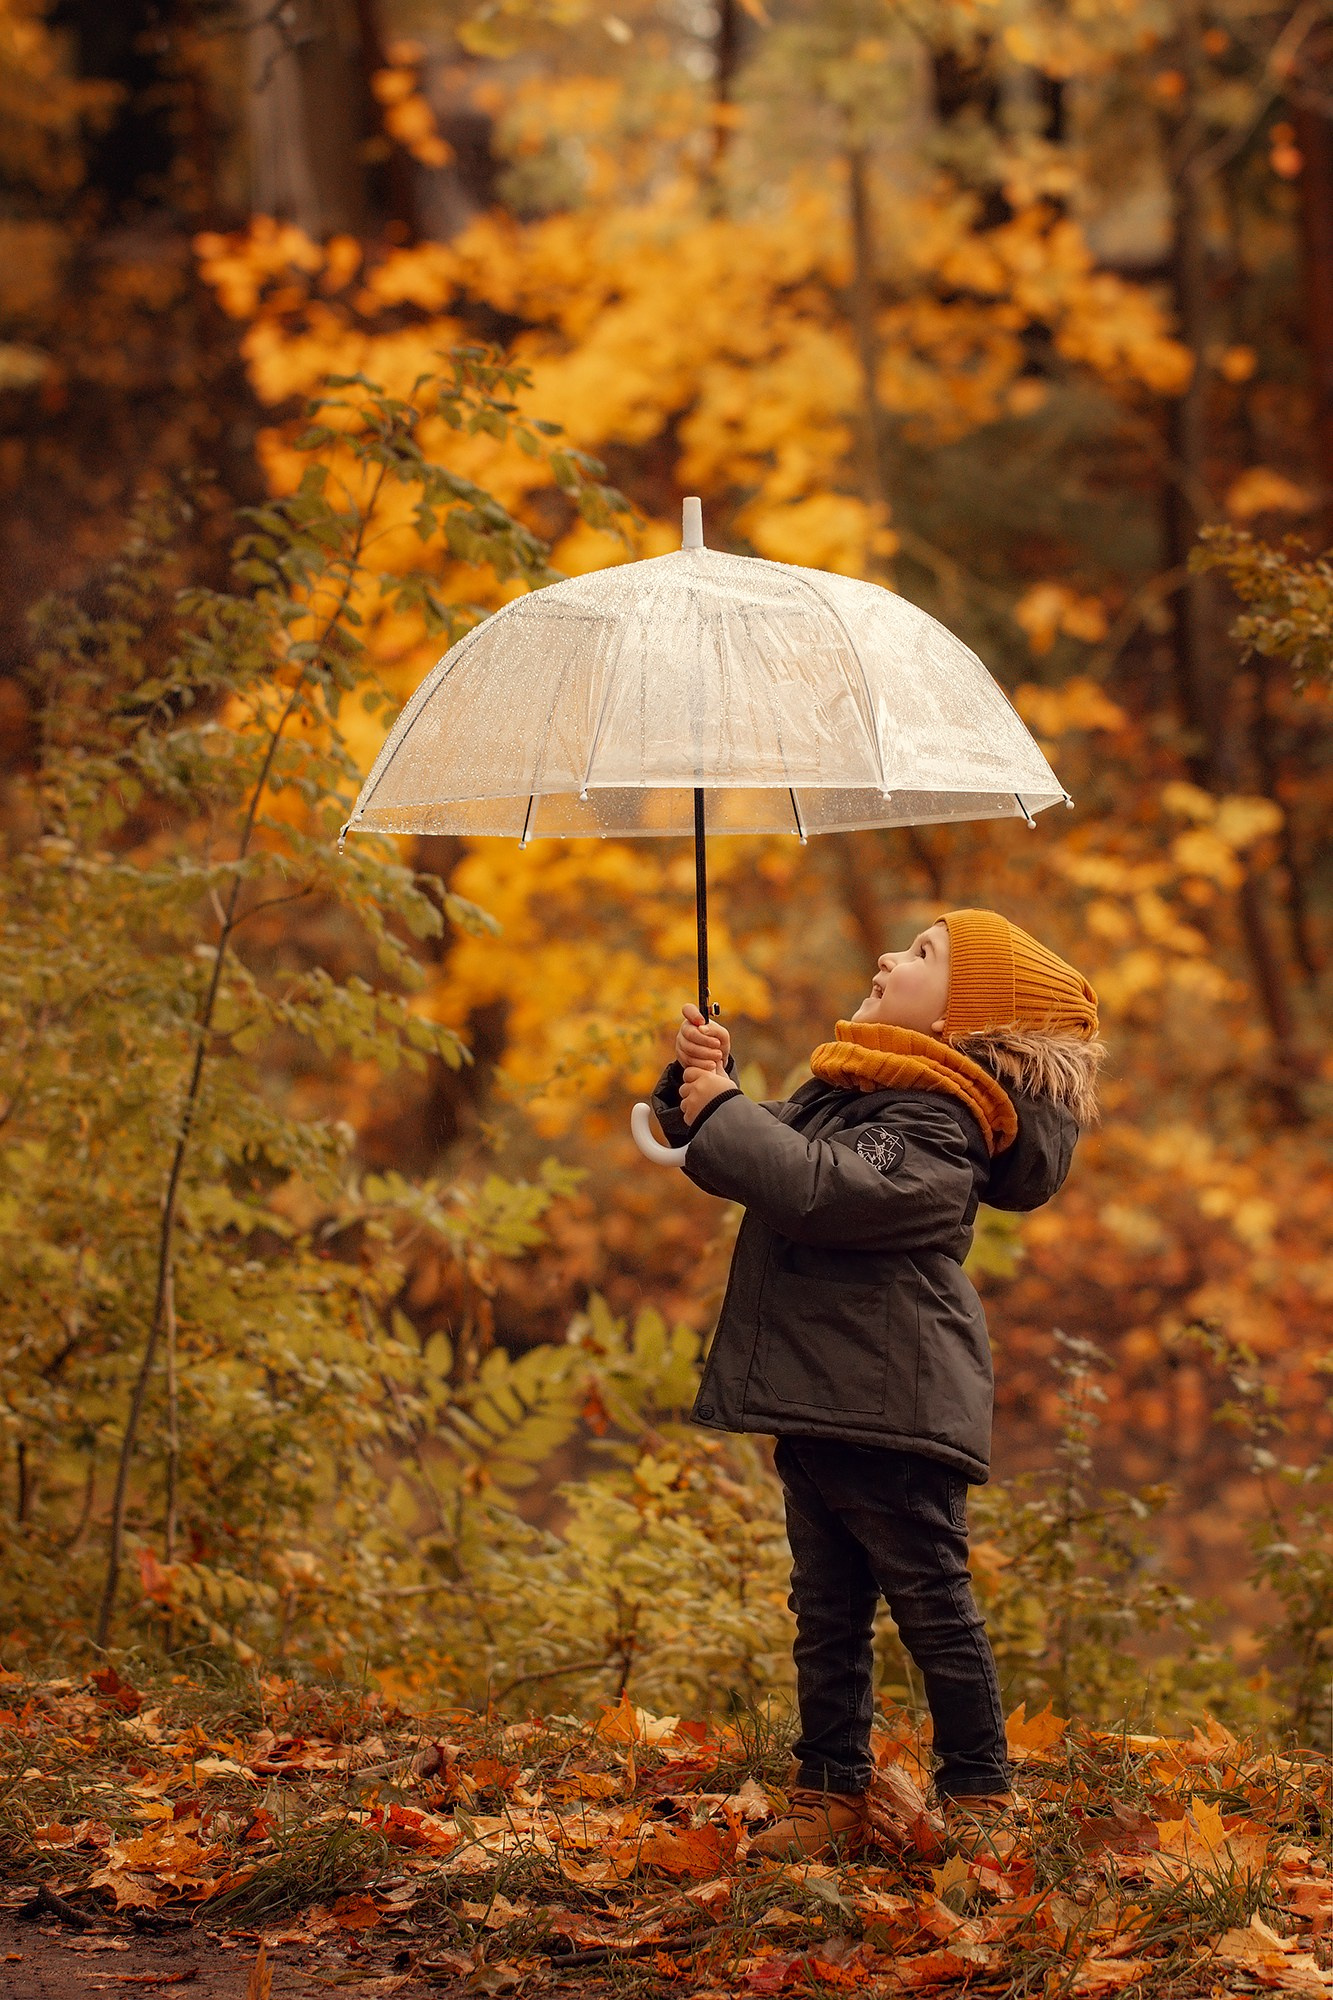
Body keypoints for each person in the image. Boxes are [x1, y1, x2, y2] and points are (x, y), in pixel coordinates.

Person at [650, 909, 1102, 1859]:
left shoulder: (940, 1124)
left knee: (931, 1604)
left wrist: (725, 1105)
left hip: (892, 1406)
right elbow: (749, 1158)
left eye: (924, 955)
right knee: (826, 1610)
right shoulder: (854, 1095)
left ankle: (979, 1799)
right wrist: (695, 1085)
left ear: (958, 1019)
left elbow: (822, 1191)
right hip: (825, 1398)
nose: (891, 956)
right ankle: (827, 1792)